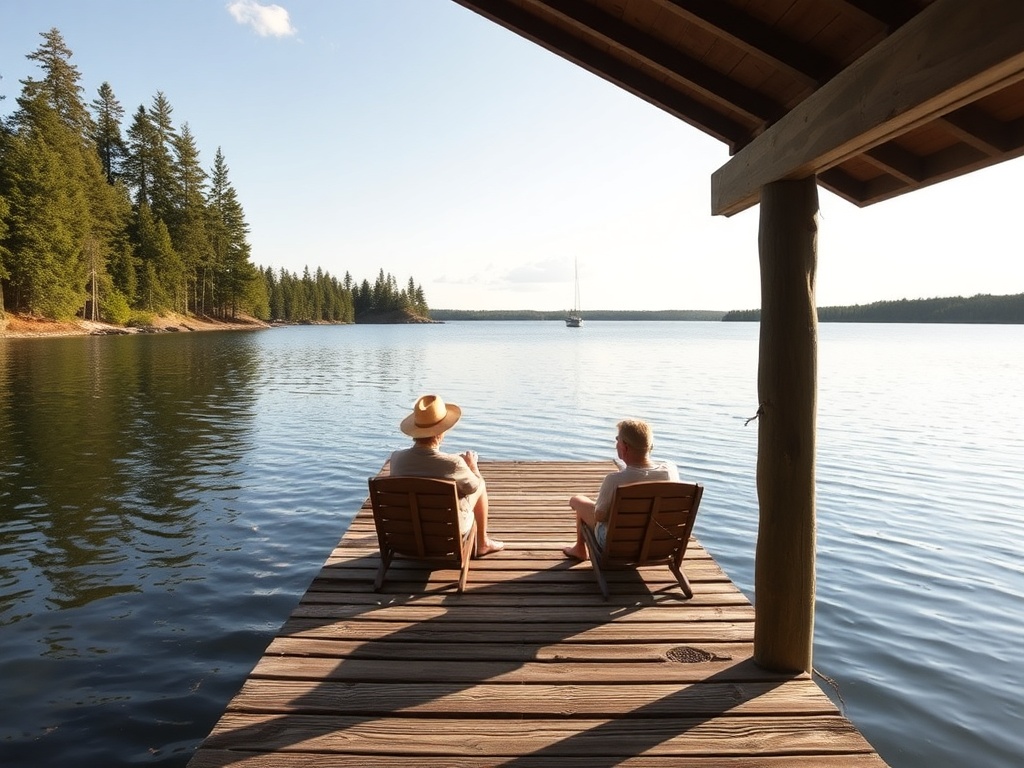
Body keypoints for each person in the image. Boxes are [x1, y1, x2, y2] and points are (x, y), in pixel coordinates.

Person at [388, 394, 504, 557]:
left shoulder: (396, 458)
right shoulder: (454, 464)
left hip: (406, 535)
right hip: (445, 536)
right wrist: (472, 466)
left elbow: (425, 464)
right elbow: (473, 487)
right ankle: (482, 543)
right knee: (480, 484)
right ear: (440, 432)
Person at [563, 418, 680, 560]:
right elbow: (643, 472)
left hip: (619, 545)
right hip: (659, 544)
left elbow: (599, 516)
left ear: (624, 447)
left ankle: (579, 550)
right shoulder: (670, 470)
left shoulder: (615, 480)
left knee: (578, 501)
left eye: (617, 439)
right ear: (650, 447)